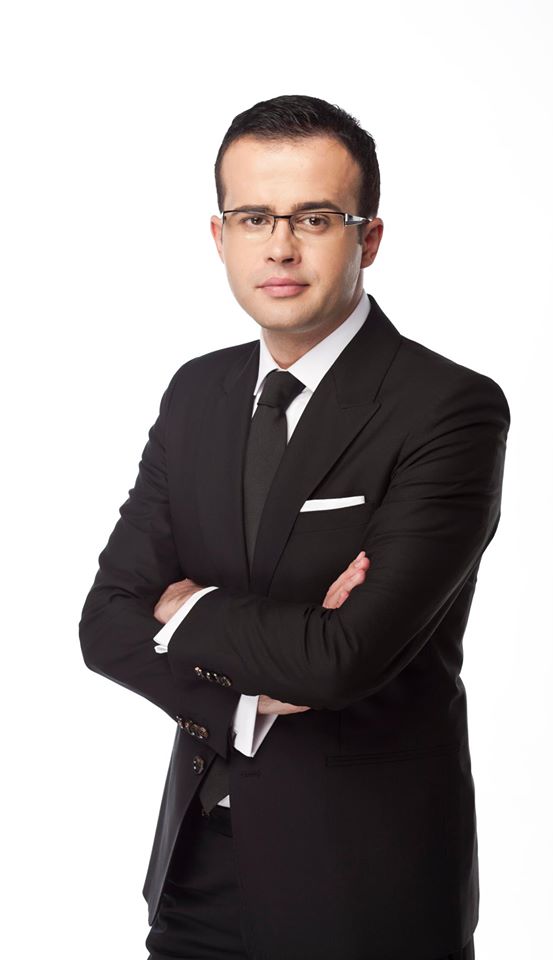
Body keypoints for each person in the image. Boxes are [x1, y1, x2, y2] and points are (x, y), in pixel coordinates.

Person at [79, 93, 510, 960]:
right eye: (253, 218)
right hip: (196, 873)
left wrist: (188, 608)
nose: (279, 246)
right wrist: (243, 701)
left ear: (369, 238)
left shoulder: (448, 409)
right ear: (219, 236)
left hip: (365, 889)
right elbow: (106, 623)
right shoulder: (196, 392)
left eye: (313, 217)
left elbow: (342, 658)